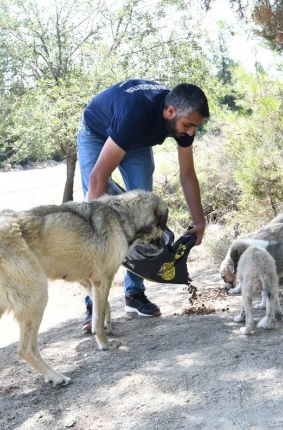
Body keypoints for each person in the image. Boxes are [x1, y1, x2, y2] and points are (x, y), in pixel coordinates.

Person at [77, 79, 209, 332]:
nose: (191, 132)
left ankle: (134, 294)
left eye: (196, 127)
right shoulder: (135, 114)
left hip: (136, 142)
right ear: (171, 112)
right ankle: (93, 304)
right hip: (97, 133)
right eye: (189, 125)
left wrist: (199, 221)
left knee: (144, 215)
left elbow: (187, 174)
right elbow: (97, 178)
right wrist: (93, 234)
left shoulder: (182, 122)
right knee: (94, 211)